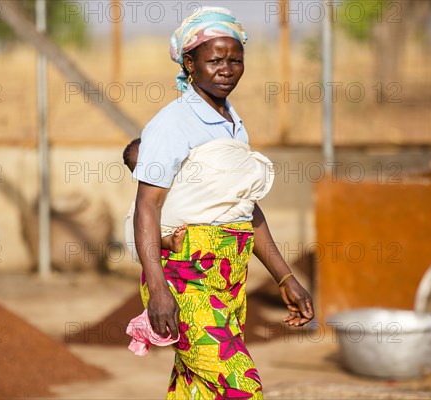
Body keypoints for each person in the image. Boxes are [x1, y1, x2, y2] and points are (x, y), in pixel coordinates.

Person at [132, 7, 314, 398]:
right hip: (187, 277)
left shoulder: (233, 122)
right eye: (214, 60)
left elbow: (245, 206)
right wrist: (159, 291)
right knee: (240, 385)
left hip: (230, 278)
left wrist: (286, 277)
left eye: (235, 60)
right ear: (189, 63)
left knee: (195, 389)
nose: (226, 69)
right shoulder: (173, 124)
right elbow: (147, 206)